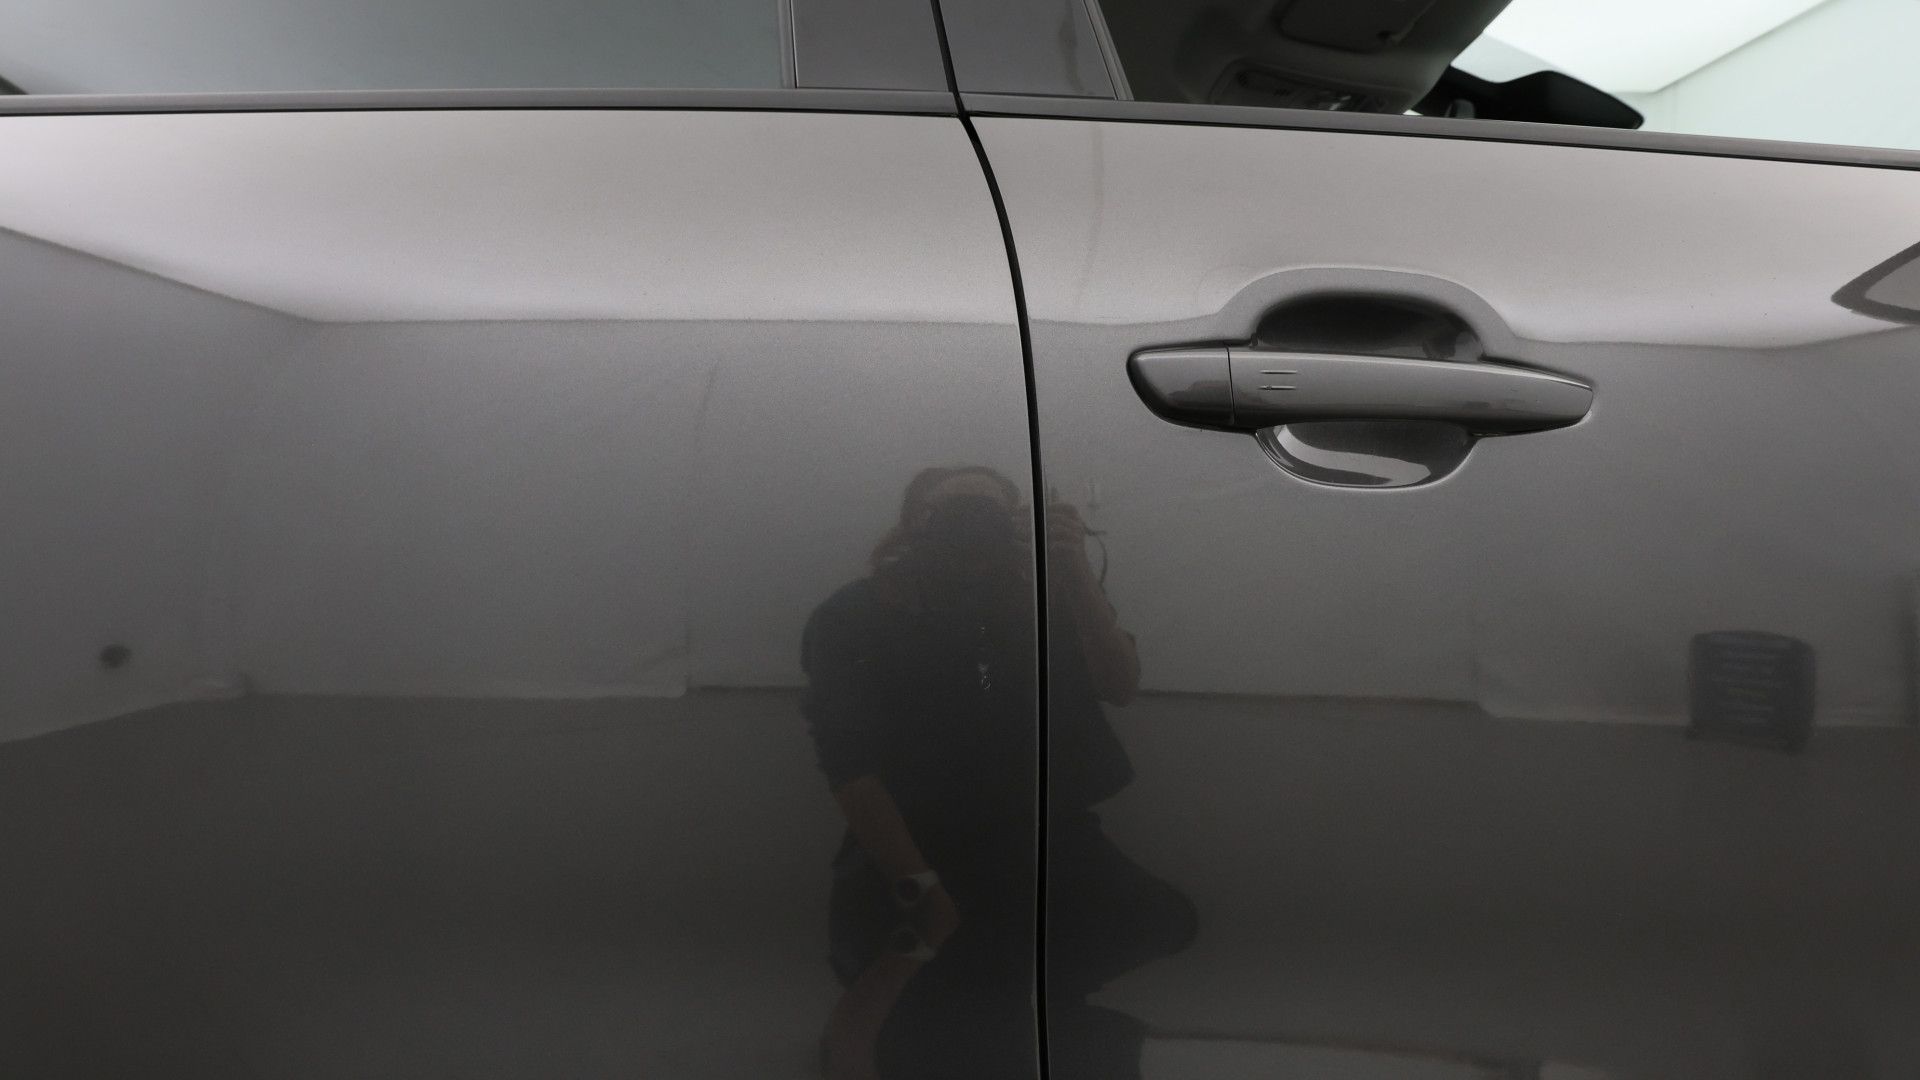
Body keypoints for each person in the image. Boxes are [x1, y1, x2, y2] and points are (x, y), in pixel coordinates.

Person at [800, 465, 1192, 1080]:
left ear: (1016, 528)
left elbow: (1120, 684)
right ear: (911, 525)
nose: (968, 529)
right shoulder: (854, 615)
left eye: (987, 513)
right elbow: (850, 769)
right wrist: (920, 894)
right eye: (950, 512)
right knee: (953, 985)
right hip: (913, 847)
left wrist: (1073, 569)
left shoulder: (1043, 600)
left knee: (1166, 924)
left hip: (1041, 840)